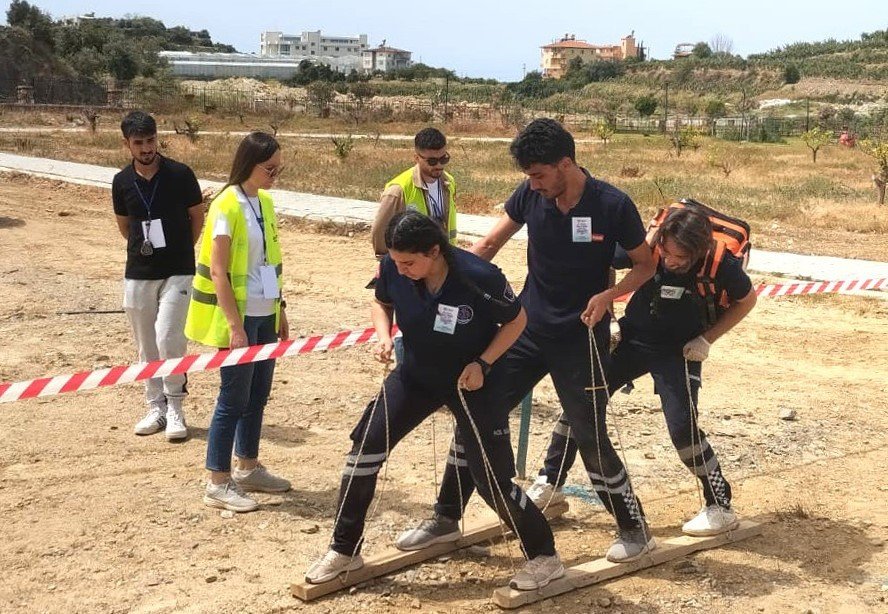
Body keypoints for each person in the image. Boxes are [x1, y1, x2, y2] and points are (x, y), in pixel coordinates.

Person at [395, 118, 660, 563]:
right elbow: (488, 245)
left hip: (581, 336)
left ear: (565, 164)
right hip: (526, 329)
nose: (532, 185)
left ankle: (635, 529)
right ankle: (446, 516)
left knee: (589, 434)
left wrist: (610, 295)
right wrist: (446, 284)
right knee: (476, 412)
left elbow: (645, 265)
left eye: (538, 175)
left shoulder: (612, 204)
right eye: (528, 177)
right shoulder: (530, 194)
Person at [305, 212, 565, 591]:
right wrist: (383, 335)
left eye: (409, 263)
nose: (401, 269)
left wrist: (483, 363)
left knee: (491, 480)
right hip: (417, 375)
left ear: (434, 252)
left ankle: (544, 556)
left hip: (473, 381)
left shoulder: (478, 277)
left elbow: (516, 321)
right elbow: (381, 302)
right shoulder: (393, 267)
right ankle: (344, 550)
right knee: (365, 448)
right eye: (396, 261)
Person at [528, 206, 757, 536]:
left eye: (681, 258)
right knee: (581, 405)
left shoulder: (721, 264)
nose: (671, 262)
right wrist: (609, 314)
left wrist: (707, 339)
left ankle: (720, 505)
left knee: (683, 428)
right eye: (667, 252)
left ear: (699, 251)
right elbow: (606, 261)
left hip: (680, 350)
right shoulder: (649, 246)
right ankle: (550, 482)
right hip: (632, 339)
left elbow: (746, 301)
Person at [184, 132, 291, 513]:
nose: (275, 175)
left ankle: (248, 466)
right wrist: (234, 325)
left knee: (258, 395)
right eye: (270, 169)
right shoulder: (226, 204)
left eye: (279, 169)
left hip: (264, 315)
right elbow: (218, 270)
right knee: (233, 399)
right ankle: (217, 480)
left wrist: (279, 309)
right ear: (249, 164)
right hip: (241, 319)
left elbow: (269, 261)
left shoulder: (265, 202)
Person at [112, 111, 204, 441]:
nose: (147, 148)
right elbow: (126, 226)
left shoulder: (180, 174)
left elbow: (197, 217)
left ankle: (176, 406)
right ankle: (155, 406)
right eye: (139, 143)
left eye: (151, 140)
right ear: (127, 143)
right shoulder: (121, 181)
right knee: (146, 344)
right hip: (139, 272)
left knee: (169, 338)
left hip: (178, 270)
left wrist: (182, 250)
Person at [370, 127, 458, 258]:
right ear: (417, 158)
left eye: (444, 159)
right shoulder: (398, 190)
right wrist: (388, 263)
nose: (439, 165)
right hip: (415, 265)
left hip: (444, 259)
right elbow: (380, 232)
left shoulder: (449, 182)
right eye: (432, 161)